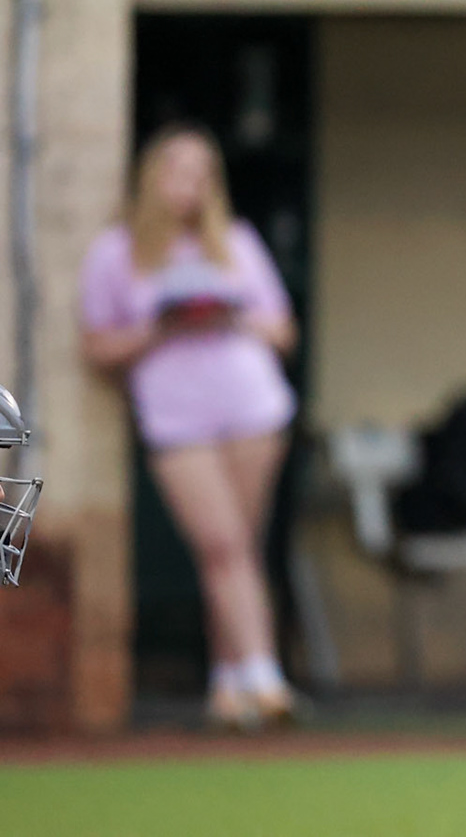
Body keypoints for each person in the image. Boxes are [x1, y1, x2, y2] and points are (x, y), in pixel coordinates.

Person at [79, 124, 300, 730]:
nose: (190, 187)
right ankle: (264, 673)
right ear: (152, 178)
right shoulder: (115, 252)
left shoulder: (236, 242)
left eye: (203, 174)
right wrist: (162, 327)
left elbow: (282, 330)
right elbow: (96, 345)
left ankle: (227, 684)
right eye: (179, 171)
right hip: (176, 416)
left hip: (251, 405)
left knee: (239, 552)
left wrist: (227, 315)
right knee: (221, 544)